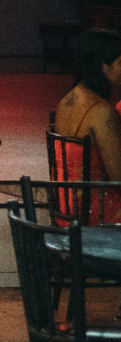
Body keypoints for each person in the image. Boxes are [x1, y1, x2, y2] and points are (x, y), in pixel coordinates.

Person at [53, 29, 121, 220]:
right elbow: (118, 178)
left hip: (66, 206)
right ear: (103, 66)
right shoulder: (100, 110)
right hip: (91, 210)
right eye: (120, 63)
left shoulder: (67, 101)